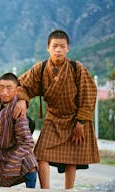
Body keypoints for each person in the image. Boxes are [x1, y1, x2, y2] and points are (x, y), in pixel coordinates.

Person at [18, 29, 99, 189]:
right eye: (55, 46)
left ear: (68, 48)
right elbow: (21, 84)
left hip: (75, 119)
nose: (58, 50)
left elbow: (89, 93)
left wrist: (81, 122)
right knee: (40, 154)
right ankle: (45, 190)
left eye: (62, 46)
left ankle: (69, 190)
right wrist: (22, 100)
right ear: (48, 47)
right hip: (53, 118)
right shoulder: (40, 69)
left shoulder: (77, 68)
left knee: (71, 158)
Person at [0, 73, 38, 188]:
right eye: (1, 87)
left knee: (31, 163)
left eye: (9, 88)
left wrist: (14, 161)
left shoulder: (18, 109)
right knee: (0, 187)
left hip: (12, 151)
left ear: (17, 90)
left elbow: (27, 142)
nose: (4, 92)